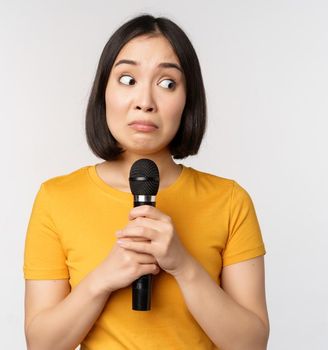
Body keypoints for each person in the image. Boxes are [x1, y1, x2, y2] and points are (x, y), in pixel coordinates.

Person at [23, 14, 269, 350]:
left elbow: (252, 344)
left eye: (167, 83)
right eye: (127, 79)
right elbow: (42, 345)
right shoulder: (56, 198)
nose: (145, 102)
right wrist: (103, 279)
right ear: (103, 92)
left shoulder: (230, 200)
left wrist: (183, 265)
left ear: (188, 100)